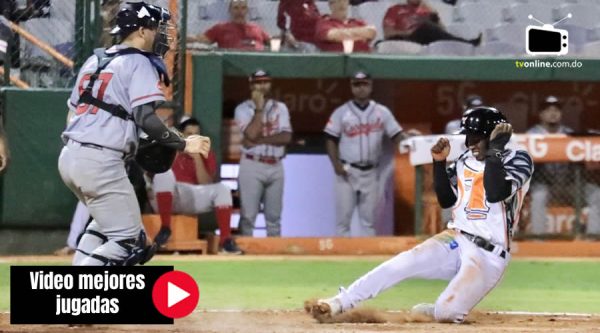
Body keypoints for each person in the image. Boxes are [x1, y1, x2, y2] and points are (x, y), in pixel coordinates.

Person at [308, 107, 533, 323]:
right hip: (456, 238)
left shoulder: (519, 159)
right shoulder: (465, 159)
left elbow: (496, 193)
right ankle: (339, 302)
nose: (469, 142)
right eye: (468, 137)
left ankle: (437, 310)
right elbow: (447, 200)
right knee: (401, 263)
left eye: (475, 137)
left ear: (494, 137)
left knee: (448, 313)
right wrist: (438, 163)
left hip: (488, 256)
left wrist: (494, 151)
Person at [59, 2, 210, 266]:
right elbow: (146, 118)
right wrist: (184, 143)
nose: (163, 34)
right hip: (100, 161)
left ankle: (76, 290)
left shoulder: (96, 59)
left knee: (106, 226)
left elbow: (71, 115)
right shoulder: (138, 62)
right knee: (129, 243)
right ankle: (73, 298)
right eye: (158, 28)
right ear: (141, 31)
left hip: (70, 157)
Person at [324, 71, 419, 237]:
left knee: (369, 223)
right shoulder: (342, 112)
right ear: (352, 87)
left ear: (370, 86)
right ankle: (341, 261)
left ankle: (364, 261)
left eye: (364, 84)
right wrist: (336, 165)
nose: (361, 88)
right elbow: (330, 138)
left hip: (371, 173)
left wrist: (409, 138)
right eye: (357, 84)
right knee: (342, 223)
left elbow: (396, 135)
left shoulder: (382, 112)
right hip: (348, 172)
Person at [148, 117, 243, 254]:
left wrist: (197, 157)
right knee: (165, 174)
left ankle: (225, 241)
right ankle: (165, 228)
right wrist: (178, 148)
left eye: (196, 134)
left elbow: (205, 183)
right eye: (189, 134)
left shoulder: (204, 152)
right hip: (166, 195)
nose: (193, 137)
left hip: (191, 196)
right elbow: (154, 174)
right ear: (181, 135)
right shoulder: (169, 148)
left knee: (223, 189)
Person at [526, 96, 600, 235]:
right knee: (539, 196)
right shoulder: (532, 135)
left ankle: (593, 236)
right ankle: (538, 239)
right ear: (541, 114)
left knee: (596, 194)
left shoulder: (569, 134)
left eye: (556, 110)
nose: (553, 113)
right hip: (545, 185)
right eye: (548, 110)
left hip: (569, 186)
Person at [234, 69, 292, 237]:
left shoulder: (280, 107)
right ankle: (245, 258)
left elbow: (286, 136)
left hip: (276, 165)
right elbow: (251, 133)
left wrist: (258, 141)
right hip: (252, 164)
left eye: (265, 81)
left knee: (274, 218)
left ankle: (274, 258)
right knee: (248, 216)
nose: (262, 85)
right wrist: (259, 110)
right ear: (251, 85)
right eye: (258, 82)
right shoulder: (242, 109)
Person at [383, 0, 481, 46]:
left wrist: (436, 18)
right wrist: (408, 32)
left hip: (427, 38)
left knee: (428, 27)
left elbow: (442, 32)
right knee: (426, 27)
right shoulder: (395, 9)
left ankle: (466, 44)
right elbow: (388, 33)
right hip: (407, 39)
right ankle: (467, 43)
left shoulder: (425, 10)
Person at [187, 0, 270, 51]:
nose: (240, 12)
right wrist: (180, 37)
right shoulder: (220, 28)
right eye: (236, 8)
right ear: (230, 10)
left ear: (247, 10)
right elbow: (200, 39)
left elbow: (272, 42)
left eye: (243, 8)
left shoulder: (257, 29)